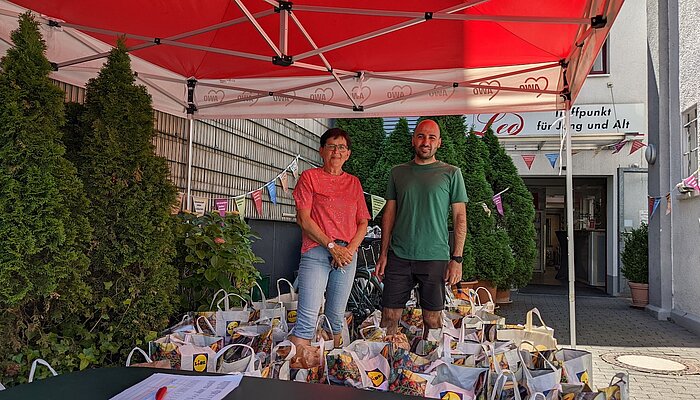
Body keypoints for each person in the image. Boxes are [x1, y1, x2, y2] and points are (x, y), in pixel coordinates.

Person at [374, 119, 468, 335]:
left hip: (434, 256)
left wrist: (457, 259)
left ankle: (431, 366)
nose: (426, 141)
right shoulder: (398, 172)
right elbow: (389, 214)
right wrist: (383, 253)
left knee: (432, 320)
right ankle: (390, 364)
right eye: (421, 136)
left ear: (439, 143)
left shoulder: (452, 173)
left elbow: (460, 217)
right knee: (389, 318)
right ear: (413, 140)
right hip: (399, 255)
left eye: (431, 137)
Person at [291, 127, 370, 347]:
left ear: (348, 154)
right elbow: (304, 219)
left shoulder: (354, 183)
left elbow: (363, 221)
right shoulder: (310, 178)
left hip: (346, 255)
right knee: (307, 320)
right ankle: (298, 375)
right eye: (331, 146)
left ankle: (333, 371)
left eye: (342, 147)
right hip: (317, 251)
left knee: (335, 320)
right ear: (321, 151)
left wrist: (349, 251)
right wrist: (332, 246)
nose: (336, 151)